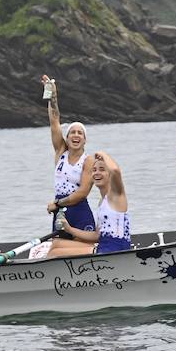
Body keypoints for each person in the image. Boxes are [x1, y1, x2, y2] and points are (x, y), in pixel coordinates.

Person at [41, 76, 95, 233]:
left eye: (80, 133)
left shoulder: (89, 160)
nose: (76, 135)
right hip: (60, 214)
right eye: (72, 132)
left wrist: (57, 204)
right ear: (67, 137)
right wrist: (53, 96)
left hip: (79, 212)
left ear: (85, 140)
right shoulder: (61, 153)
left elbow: (82, 193)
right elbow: (54, 121)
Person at [60, 152, 131, 255]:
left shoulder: (116, 195)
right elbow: (97, 236)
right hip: (103, 248)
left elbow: (115, 170)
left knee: (56, 252)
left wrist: (103, 154)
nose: (97, 173)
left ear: (109, 174)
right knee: (57, 244)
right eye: (94, 170)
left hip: (115, 251)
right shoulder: (102, 202)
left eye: (102, 169)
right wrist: (69, 229)